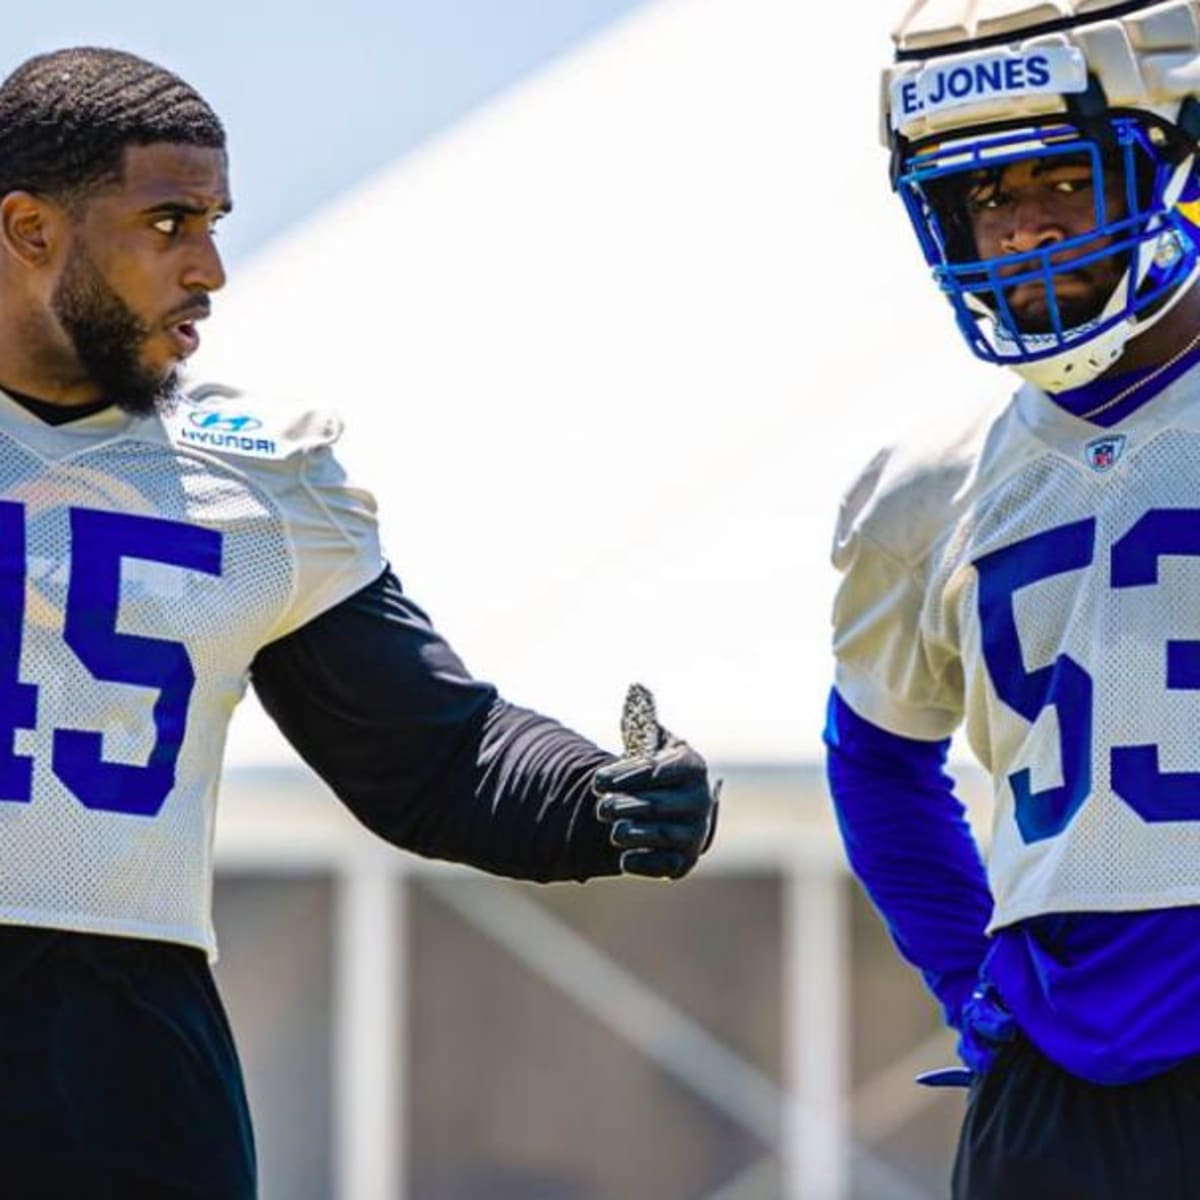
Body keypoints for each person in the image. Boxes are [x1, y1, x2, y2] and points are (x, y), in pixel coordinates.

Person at [0, 46, 718, 1199]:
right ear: (32, 229)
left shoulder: (260, 478)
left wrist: (599, 798)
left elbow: (436, 752)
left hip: (124, 1046)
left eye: (217, 221)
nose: (212, 269)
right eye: (170, 222)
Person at [825, 1, 1200, 1195]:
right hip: (1057, 1065)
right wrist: (966, 979)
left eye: (1063, 180)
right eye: (987, 198)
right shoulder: (927, 485)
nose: (1027, 228)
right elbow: (875, 758)